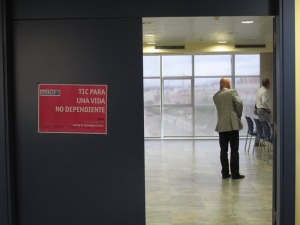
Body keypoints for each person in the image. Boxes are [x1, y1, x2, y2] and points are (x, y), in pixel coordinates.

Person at [213, 78, 245, 179]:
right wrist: (238, 115)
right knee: (234, 150)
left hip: (221, 125)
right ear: (227, 84)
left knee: (223, 150)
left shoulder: (216, 96)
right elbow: (239, 103)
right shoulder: (232, 92)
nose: (230, 84)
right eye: (229, 83)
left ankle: (225, 173)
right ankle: (235, 173)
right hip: (232, 124)